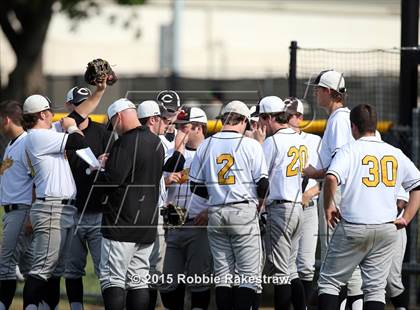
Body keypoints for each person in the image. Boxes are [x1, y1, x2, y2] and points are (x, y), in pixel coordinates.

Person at [318, 104, 420, 310]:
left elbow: (330, 177)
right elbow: (417, 185)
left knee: (329, 283)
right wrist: (407, 218)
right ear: (375, 124)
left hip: (354, 227)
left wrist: (328, 206)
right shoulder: (395, 152)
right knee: (375, 289)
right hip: (387, 227)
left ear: (353, 127)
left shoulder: (350, 149)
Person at [189, 100, 269, 310]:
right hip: (243, 210)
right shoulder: (250, 144)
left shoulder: (206, 144)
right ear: (243, 120)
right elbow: (263, 185)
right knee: (248, 276)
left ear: (223, 119)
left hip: (216, 212)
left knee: (224, 276)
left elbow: (195, 186)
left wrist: (217, 193)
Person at [21, 94, 90, 310]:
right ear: (42, 114)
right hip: (51, 206)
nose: (54, 115)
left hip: (63, 206)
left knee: (56, 270)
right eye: (50, 111)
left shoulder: (46, 133)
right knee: (42, 268)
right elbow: (79, 141)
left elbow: (79, 114)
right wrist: (70, 126)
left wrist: (99, 90)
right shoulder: (36, 136)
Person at [95, 98, 165, 310]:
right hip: (146, 222)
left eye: (113, 123)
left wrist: (99, 170)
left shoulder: (124, 142)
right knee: (138, 280)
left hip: (121, 222)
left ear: (119, 116)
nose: (114, 129)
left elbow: (112, 180)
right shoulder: (156, 142)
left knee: (112, 279)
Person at [303, 69, 363, 309]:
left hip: (337, 192)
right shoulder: (346, 118)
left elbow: (338, 163)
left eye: (318, 89)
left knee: (334, 259)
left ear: (328, 92)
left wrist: (313, 173)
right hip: (350, 193)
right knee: (349, 261)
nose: (316, 93)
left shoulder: (338, 120)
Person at [63, 85, 112, 310]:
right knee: (71, 269)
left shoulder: (102, 132)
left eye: (85, 103)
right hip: (71, 211)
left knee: (105, 270)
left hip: (99, 210)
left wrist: (107, 160)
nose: (82, 108)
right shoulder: (59, 132)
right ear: (69, 106)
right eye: (77, 104)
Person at [255, 96, 306, 309]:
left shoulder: (272, 141)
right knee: (291, 268)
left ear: (269, 117)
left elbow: (260, 179)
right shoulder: (299, 138)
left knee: (281, 271)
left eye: (262, 118)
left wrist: (258, 144)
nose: (261, 124)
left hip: (280, 209)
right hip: (297, 207)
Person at [159, 107, 212, 310]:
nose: (179, 130)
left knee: (199, 281)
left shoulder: (210, 150)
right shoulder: (171, 150)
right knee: (169, 284)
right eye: (178, 126)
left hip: (198, 222)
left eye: (185, 126)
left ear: (198, 127)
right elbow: (162, 176)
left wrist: (209, 210)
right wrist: (165, 181)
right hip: (173, 222)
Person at [137, 100, 187, 310]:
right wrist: (180, 147)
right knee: (152, 266)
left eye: (169, 116)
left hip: (152, 209)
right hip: (150, 209)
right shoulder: (151, 142)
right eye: (162, 117)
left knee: (152, 266)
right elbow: (171, 166)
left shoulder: (139, 139)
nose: (166, 121)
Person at [284, 97, 321, 303]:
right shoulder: (277, 139)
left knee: (306, 265)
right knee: (286, 266)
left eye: (289, 115)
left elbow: (328, 175)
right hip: (286, 208)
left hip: (307, 208)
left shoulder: (314, 141)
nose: (286, 119)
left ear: (300, 117)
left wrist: (311, 192)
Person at [0, 100, 33, 310]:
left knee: (5, 266)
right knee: (31, 269)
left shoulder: (28, 142)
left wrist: (31, 215)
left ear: (6, 119)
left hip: (22, 210)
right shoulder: (12, 144)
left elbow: (38, 179)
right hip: (13, 211)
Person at [386, 187, 409, 310]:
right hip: (362, 226)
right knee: (359, 281)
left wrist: (385, 219)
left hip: (393, 226)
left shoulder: (400, 166)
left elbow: (402, 198)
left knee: (392, 281)